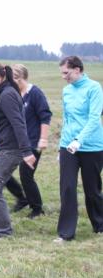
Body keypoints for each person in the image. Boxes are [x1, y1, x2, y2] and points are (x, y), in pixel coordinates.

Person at [0, 62, 36, 240]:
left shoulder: (8, 95)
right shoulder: (6, 92)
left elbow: (19, 124)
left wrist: (26, 151)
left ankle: (2, 229)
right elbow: (4, 126)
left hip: (12, 150)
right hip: (3, 148)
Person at [55, 56, 103, 242]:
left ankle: (99, 225)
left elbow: (94, 118)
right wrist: (63, 146)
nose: (63, 77)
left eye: (66, 72)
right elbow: (67, 119)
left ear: (77, 70)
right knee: (67, 187)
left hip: (92, 146)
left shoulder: (94, 88)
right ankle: (66, 233)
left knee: (92, 189)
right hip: (68, 147)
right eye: (62, 73)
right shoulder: (66, 91)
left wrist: (79, 140)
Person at [5, 64, 52, 218]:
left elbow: (45, 116)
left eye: (11, 79)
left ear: (19, 78)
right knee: (1, 170)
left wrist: (43, 139)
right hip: (16, 142)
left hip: (32, 142)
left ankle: (37, 209)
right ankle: (22, 198)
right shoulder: (15, 94)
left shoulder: (35, 93)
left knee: (26, 175)